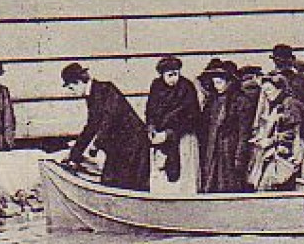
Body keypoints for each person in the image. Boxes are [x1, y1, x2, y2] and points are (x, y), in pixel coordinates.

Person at [62, 62, 150, 191]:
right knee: (110, 183)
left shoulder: (106, 89)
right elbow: (91, 127)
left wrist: (96, 144)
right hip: (118, 148)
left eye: (71, 88)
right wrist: (74, 155)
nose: (72, 93)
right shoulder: (91, 96)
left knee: (129, 186)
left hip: (134, 145)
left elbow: (109, 118)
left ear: (78, 82)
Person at [145, 55, 202, 194]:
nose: (173, 79)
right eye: (170, 75)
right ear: (162, 75)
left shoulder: (186, 87)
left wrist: (170, 133)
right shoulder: (156, 86)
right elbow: (150, 110)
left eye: (176, 74)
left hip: (183, 137)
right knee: (162, 173)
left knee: (185, 176)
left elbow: (193, 116)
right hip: (161, 139)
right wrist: (151, 127)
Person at [247, 71, 304, 192]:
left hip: (291, 152)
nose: (266, 95)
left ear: (280, 89)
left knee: (273, 182)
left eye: (269, 90)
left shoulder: (290, 105)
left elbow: (293, 132)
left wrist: (270, 141)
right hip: (279, 151)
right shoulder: (277, 106)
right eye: (265, 92)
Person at [198, 60, 246, 193]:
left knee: (229, 182)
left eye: (219, 83)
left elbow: (243, 131)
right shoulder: (213, 100)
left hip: (229, 148)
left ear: (228, 82)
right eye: (214, 83)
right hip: (213, 149)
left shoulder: (239, 100)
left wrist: (239, 156)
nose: (216, 86)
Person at [270, 43, 304, 154]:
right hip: (283, 124)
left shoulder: (303, 75)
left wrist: (287, 76)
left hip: (302, 123)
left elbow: (297, 95)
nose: (277, 65)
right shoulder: (274, 77)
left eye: (280, 62)